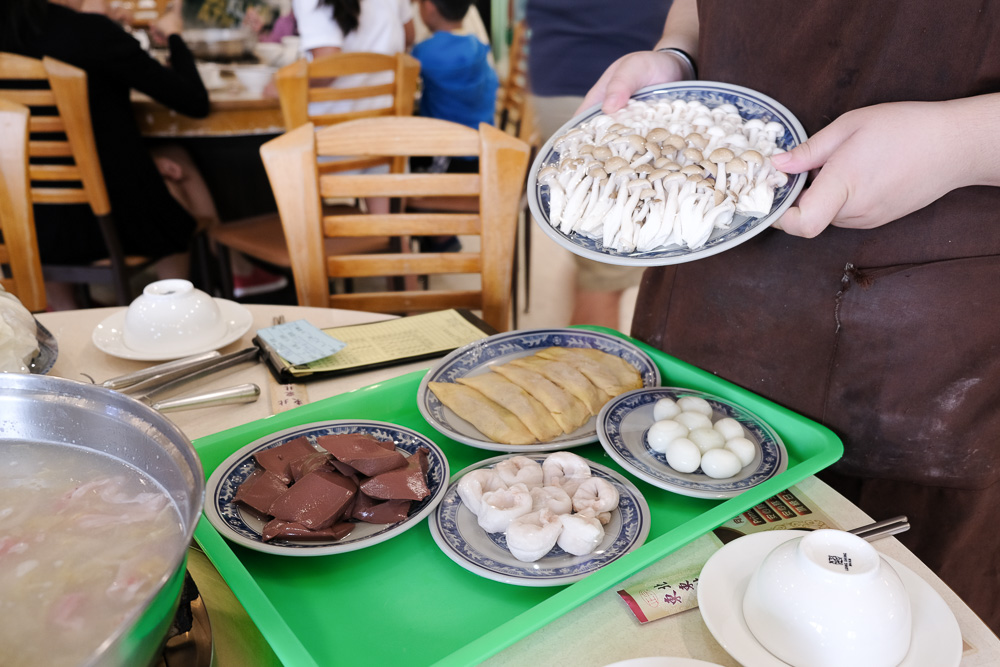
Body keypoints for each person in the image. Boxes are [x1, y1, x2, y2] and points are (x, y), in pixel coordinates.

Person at [582, 0, 1000, 634]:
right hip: (701, 302)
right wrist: (679, 54)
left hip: (923, 360)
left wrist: (961, 141)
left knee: (888, 626)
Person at [1, 0, 216, 309]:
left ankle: (63, 317)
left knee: (164, 164)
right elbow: (194, 101)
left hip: (19, 227)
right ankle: (173, 310)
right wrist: (174, 36)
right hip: (106, 225)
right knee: (173, 202)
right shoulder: (91, 33)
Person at [524, 0, 671, 330]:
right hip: (601, 82)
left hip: (572, 71)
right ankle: (586, 374)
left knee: (592, 245)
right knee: (609, 261)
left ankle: (572, 333)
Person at [291, 0, 414, 217]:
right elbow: (410, 35)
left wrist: (283, 83)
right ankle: (394, 241)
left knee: (268, 157)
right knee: (391, 230)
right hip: (386, 139)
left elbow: (328, 64)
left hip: (331, 146)